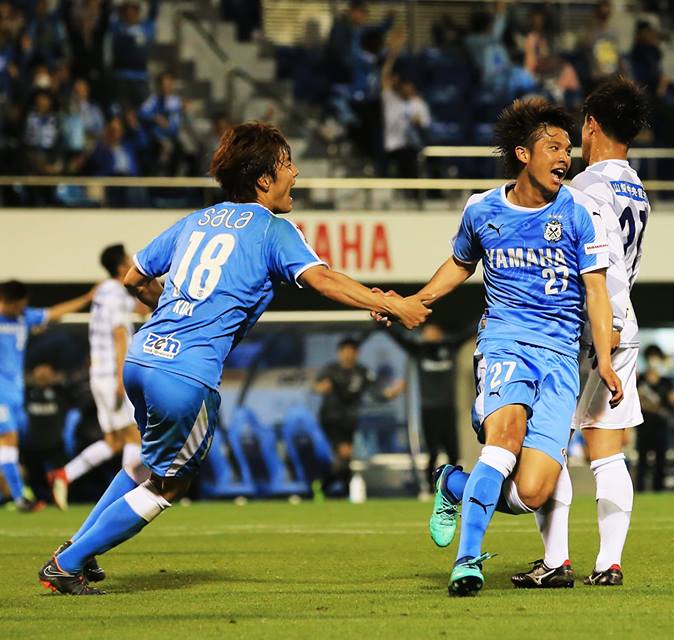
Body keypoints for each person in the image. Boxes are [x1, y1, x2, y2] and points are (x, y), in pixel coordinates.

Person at [38, 121, 432, 595]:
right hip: (186, 374)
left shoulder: (197, 220)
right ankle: (68, 563)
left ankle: (79, 548)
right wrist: (391, 303)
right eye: (287, 164)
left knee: (146, 464)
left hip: (142, 359)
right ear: (264, 179)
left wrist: (173, 313)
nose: (296, 172)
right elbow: (323, 279)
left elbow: (134, 279)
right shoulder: (273, 229)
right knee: (169, 486)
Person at [422, 97, 622, 597]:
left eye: (568, 148)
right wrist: (417, 300)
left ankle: (451, 484)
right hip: (504, 342)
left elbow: (596, 289)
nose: (565, 157)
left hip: (560, 357)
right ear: (522, 154)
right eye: (552, 147)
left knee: (531, 492)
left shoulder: (578, 211)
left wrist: (607, 360)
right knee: (504, 437)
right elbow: (459, 263)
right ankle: (467, 562)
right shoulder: (482, 209)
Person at [512, 77, 648, 589]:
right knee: (607, 450)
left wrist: (604, 329)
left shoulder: (588, 188)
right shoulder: (635, 186)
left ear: (590, 125)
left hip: (593, 330)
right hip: (624, 324)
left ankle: (556, 561)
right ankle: (608, 563)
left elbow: (602, 266)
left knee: (549, 439)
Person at [48, 244, 146, 510]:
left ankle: (64, 474)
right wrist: (119, 377)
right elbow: (118, 333)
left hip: (98, 374)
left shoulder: (104, 290)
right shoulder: (116, 293)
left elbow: (135, 312)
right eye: (128, 260)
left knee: (114, 441)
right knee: (135, 436)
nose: (132, 263)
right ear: (120, 267)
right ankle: (126, 497)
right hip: (113, 373)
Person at [1, 280, 94, 513]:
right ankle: (20, 497)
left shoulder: (23, 318)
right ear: (7, 301)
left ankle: (16, 494)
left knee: (11, 446)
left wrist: (86, 298)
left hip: (15, 394)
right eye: (19, 305)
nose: (22, 309)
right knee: (8, 441)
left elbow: (53, 313)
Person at [315, 336, 404, 497]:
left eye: (352, 351)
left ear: (357, 353)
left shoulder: (362, 372)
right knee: (344, 453)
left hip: (350, 420)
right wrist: (321, 387)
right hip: (332, 418)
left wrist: (394, 392)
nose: (348, 355)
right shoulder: (331, 370)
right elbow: (317, 385)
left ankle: (325, 486)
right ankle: (339, 489)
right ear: (339, 353)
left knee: (344, 458)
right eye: (345, 351)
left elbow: (379, 393)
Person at [389, 321, 473, 486]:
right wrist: (385, 321)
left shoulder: (450, 346)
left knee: (453, 453)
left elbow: (467, 332)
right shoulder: (419, 349)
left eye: (434, 331)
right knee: (432, 451)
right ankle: (429, 485)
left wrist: (487, 313)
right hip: (429, 409)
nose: (431, 334)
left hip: (448, 407)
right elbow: (398, 336)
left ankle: (453, 486)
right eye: (428, 331)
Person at [380, 34, 430, 183]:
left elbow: (426, 126)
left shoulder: (419, 104)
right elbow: (384, 77)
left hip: (414, 147)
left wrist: (418, 122)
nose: (409, 88)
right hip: (393, 148)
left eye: (411, 85)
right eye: (406, 85)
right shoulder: (390, 99)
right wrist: (393, 52)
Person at [21, 362, 71, 507]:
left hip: (54, 443)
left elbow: (68, 381)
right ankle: (37, 499)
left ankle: (60, 497)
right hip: (33, 444)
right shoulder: (26, 392)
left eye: (46, 372)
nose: (42, 375)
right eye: (39, 372)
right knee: (33, 475)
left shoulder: (60, 392)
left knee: (59, 472)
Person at [636, 344, 674, 493]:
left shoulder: (666, 382)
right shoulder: (640, 380)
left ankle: (658, 489)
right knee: (642, 460)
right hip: (644, 425)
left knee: (661, 459)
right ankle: (639, 489)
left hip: (661, 425)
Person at [104, 0, 159, 108]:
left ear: (138, 12)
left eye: (133, 10)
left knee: (145, 109)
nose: (130, 14)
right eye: (127, 10)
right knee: (123, 111)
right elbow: (109, 11)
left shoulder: (146, 28)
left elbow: (154, 11)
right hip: (121, 77)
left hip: (141, 77)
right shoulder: (117, 28)